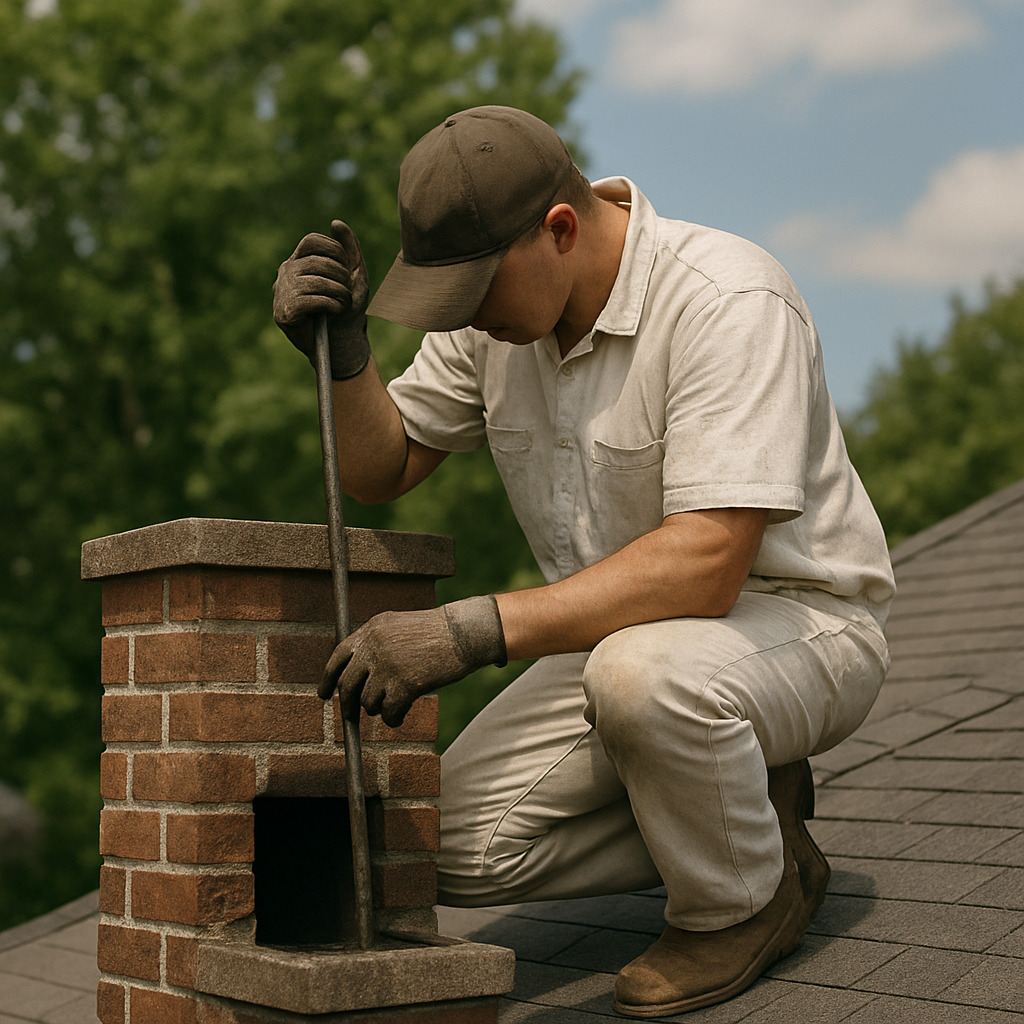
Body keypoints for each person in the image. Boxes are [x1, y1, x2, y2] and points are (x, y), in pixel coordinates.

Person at [272, 105, 894, 1018]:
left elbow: (709, 563)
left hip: (801, 625)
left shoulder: (727, 296)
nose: (465, 318)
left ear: (559, 230)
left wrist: (469, 630)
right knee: (445, 849)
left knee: (645, 677)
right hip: (619, 645)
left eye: (476, 291)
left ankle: (744, 900)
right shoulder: (494, 325)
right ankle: (742, 801)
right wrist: (344, 356)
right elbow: (381, 467)